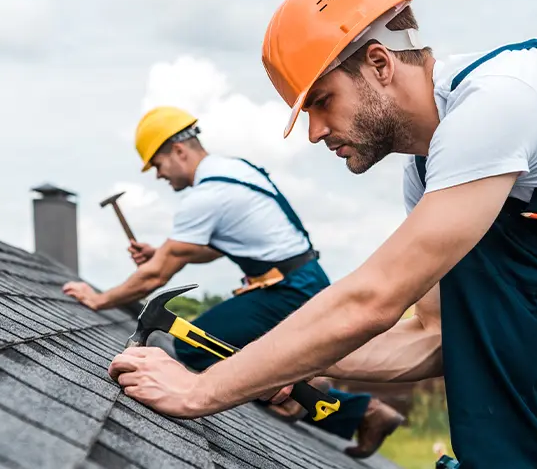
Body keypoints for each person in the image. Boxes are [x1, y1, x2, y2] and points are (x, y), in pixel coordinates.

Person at [104, 0, 537, 468]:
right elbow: (435, 339)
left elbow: (373, 299)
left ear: (380, 65)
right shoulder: (437, 180)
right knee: (485, 248)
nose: (315, 133)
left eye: (323, 102)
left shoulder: (494, 106)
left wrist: (203, 389)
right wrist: (284, 367)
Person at [62, 105, 403, 457]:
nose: (159, 176)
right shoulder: (234, 171)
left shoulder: (208, 194)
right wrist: (162, 252)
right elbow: (211, 249)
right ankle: (326, 398)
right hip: (299, 280)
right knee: (238, 352)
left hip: (287, 290)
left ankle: (339, 403)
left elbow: (156, 275)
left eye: (158, 165)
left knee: (194, 346)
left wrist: (99, 299)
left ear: (178, 150)